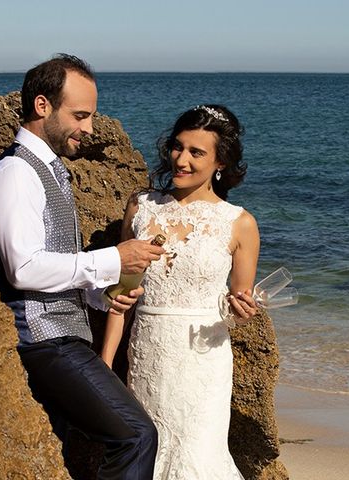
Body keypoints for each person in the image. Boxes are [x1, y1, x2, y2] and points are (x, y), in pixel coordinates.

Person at [0, 53, 164, 480]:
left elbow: (55, 261)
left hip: (64, 337)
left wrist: (104, 296)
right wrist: (114, 258)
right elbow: (23, 269)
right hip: (44, 341)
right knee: (136, 435)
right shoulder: (16, 173)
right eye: (80, 115)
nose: (90, 129)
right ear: (43, 106)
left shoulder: (50, 171)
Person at [101, 105, 260, 479]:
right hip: (149, 353)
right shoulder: (140, 207)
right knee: (148, 454)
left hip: (203, 360)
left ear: (220, 162)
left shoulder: (239, 223)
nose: (181, 159)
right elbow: (122, 294)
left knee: (198, 460)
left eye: (196, 152)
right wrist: (106, 364)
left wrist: (241, 310)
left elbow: (238, 302)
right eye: (177, 147)